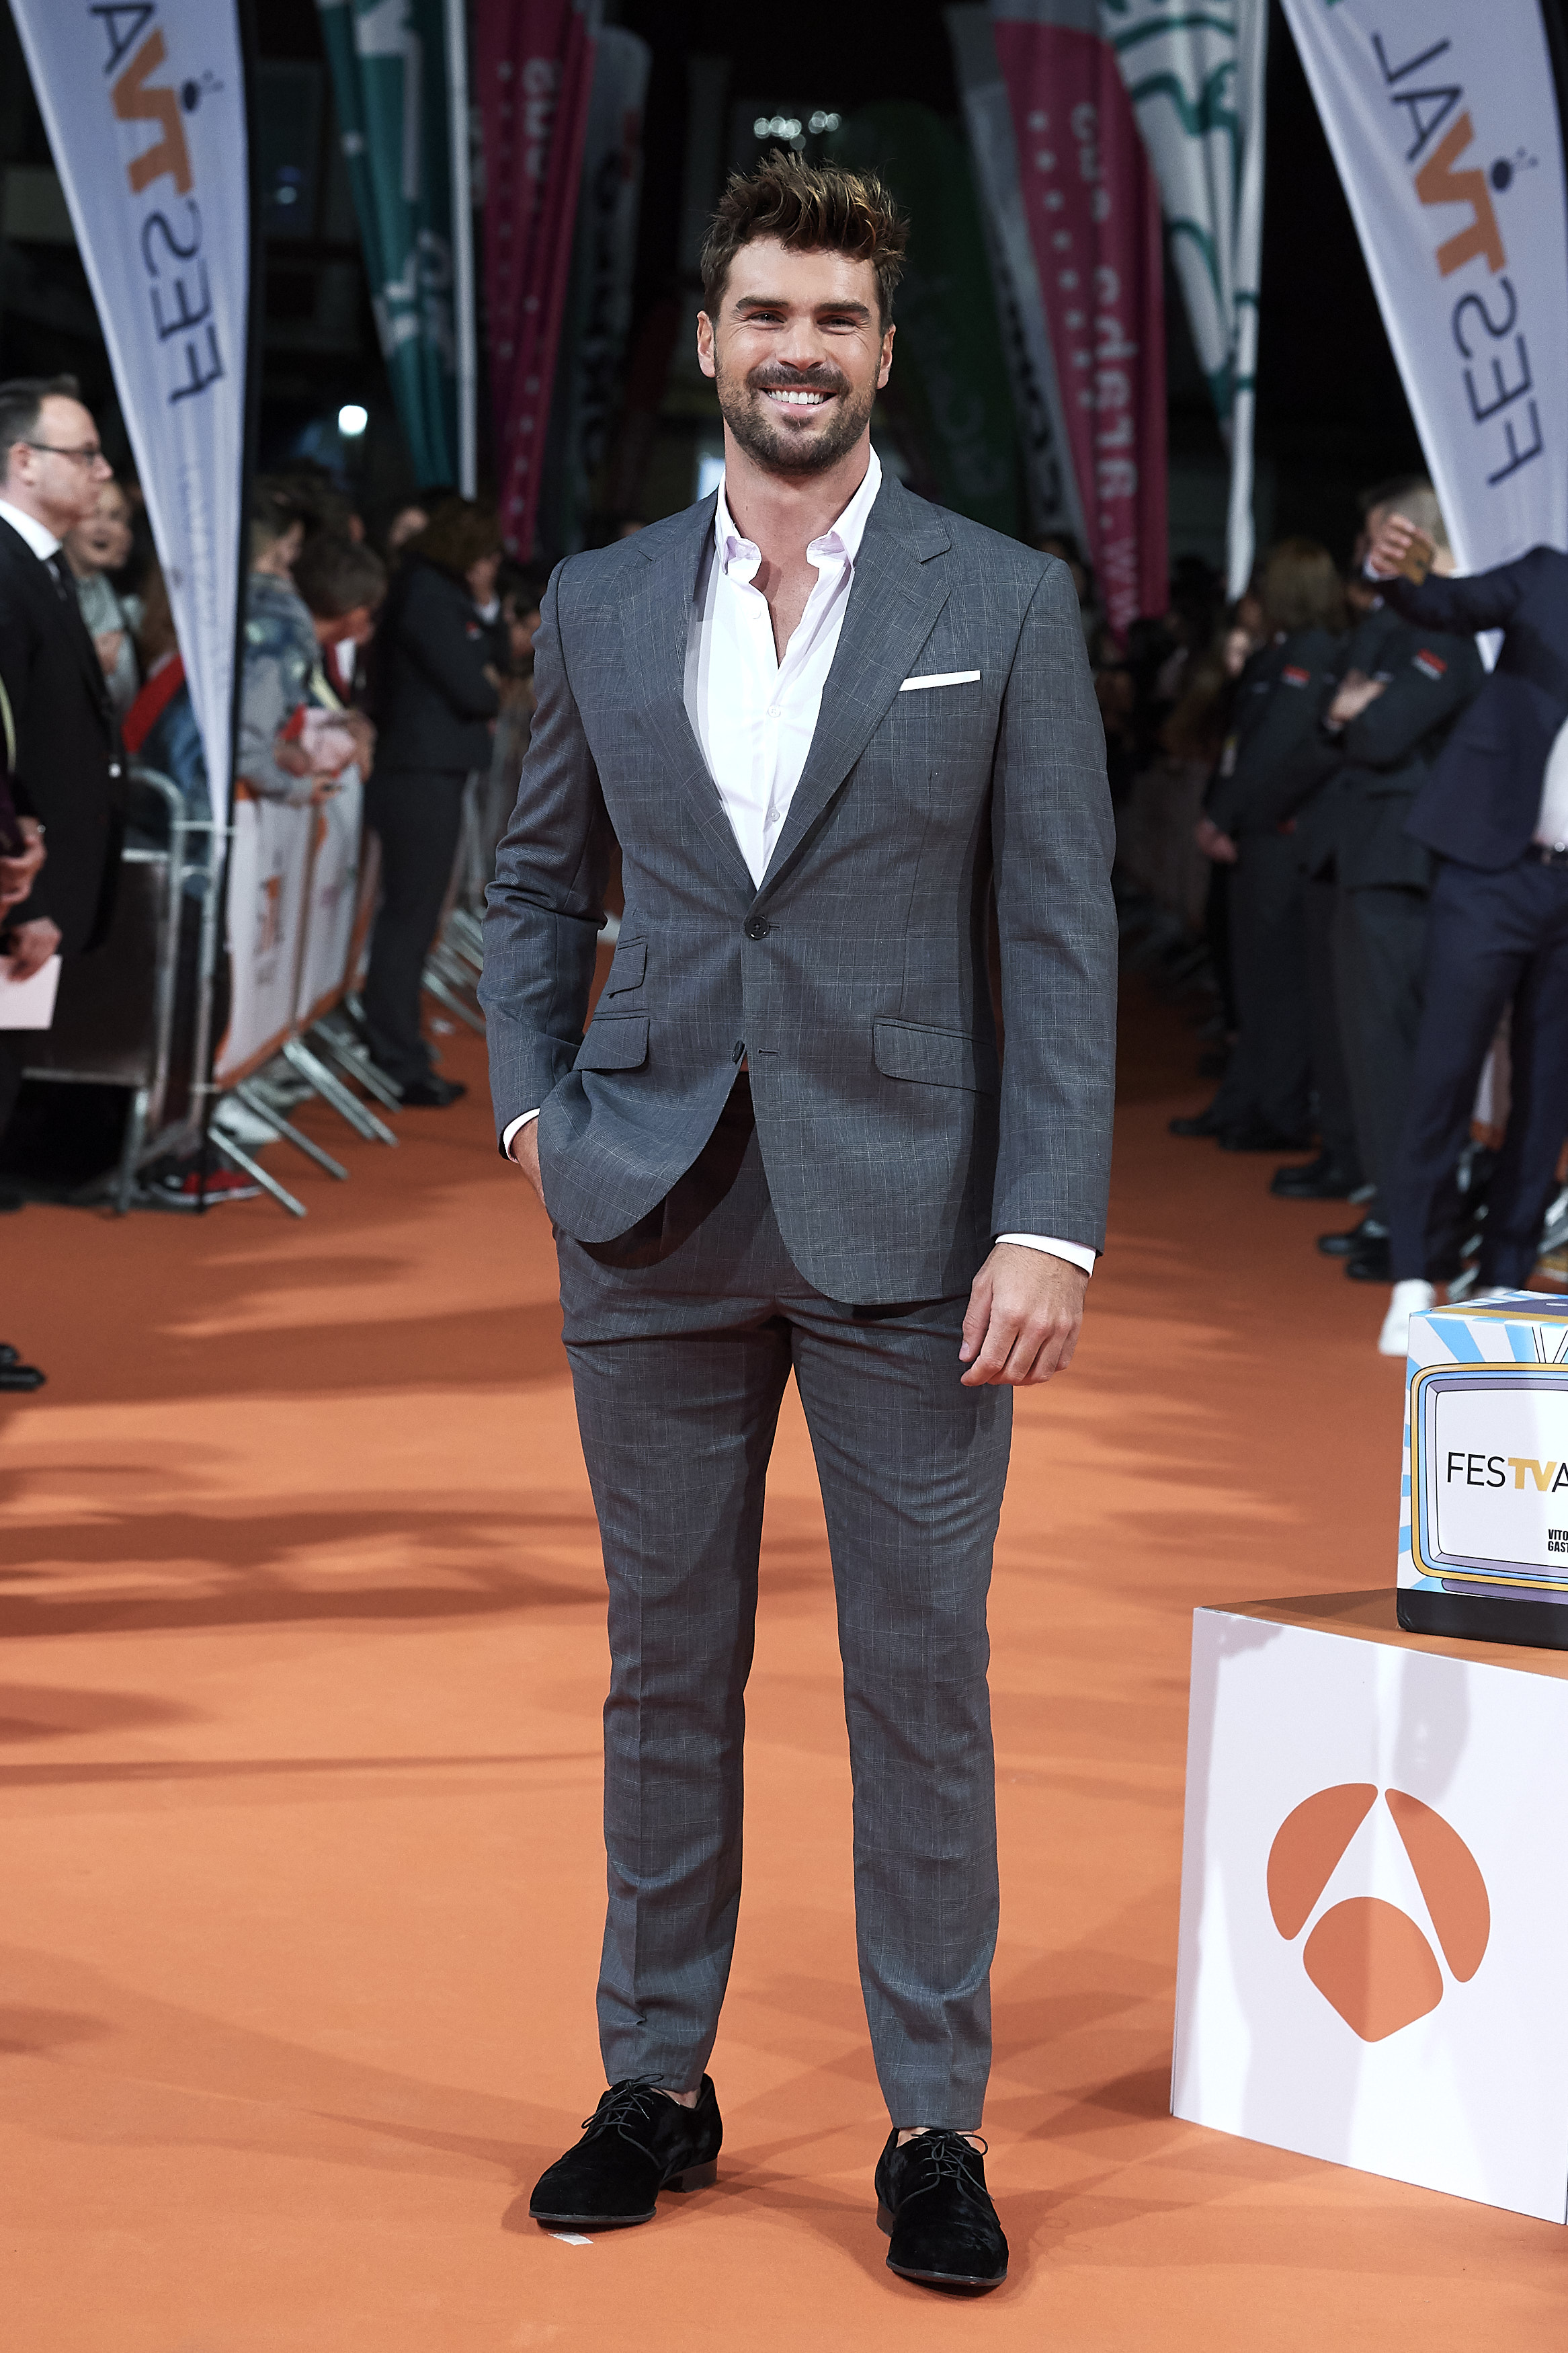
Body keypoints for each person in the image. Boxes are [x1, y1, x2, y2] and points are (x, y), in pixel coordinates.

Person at [481, 152, 1116, 2292]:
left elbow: (1057, 933)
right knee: (666, 1668)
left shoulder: (997, 597)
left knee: (919, 1680)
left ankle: (931, 2115)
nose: (798, 352)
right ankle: (654, 2073)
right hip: (644, 1206)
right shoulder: (594, 598)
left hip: (916, 1221)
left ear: (878, 348)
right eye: (767, 314)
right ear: (710, 338)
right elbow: (530, 876)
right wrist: (530, 1113)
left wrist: (1051, 1216)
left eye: (835, 321)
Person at [1365, 507, 1568, 1354]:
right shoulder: (1546, 576)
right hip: (1491, 869)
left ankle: (1505, 1272)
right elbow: (1445, 603)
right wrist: (1399, 573)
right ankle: (1415, 1268)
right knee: (1443, 1071)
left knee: (1548, 1090)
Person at [1287, 486, 1481, 1265]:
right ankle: (1394, 1212)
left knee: (1392, 1054)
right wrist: (1350, 710)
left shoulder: (1446, 624)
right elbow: (1340, 712)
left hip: (1402, 860)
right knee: (1368, 1051)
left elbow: (1377, 728)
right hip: (1368, 854)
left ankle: (1419, 1227)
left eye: (1380, 538)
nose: (1366, 554)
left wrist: (1353, 712)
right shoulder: (1390, 619)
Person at [0, 374, 126, 1376]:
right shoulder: (5, 569)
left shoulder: (39, 569)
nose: (103, 470)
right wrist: (25, 895)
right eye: (83, 453)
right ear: (22, 462)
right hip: (14, 900)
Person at [1173, 539, 1346, 1151]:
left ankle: (1277, 1109)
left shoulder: (1310, 653)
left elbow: (1275, 753)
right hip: (1257, 832)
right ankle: (1246, 1100)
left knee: (1275, 983)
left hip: (1276, 837)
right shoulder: (1283, 653)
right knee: (1252, 979)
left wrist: (1227, 817)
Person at [362, 497, 505, 1105]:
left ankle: (401, 1051)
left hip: (428, 770)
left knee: (414, 917)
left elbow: (493, 668)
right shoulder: (426, 595)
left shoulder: (435, 593)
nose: (491, 564)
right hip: (417, 772)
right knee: (409, 919)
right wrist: (485, 685)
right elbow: (476, 688)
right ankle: (396, 1059)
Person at [63, 475, 138, 720]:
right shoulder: (40, 594)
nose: (103, 528)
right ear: (67, 522)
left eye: (116, 517)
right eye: (93, 514)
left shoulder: (128, 606)